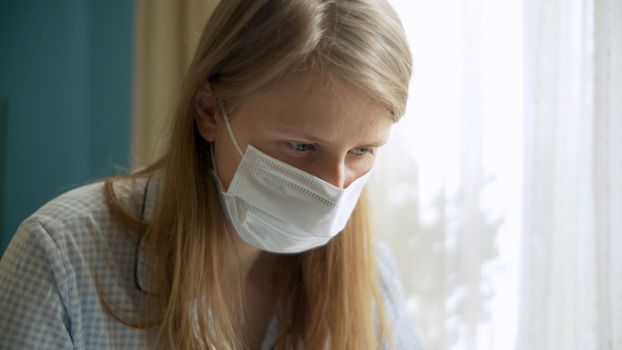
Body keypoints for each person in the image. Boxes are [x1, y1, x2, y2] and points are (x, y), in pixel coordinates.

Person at [0, 0, 419, 349]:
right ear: (209, 110)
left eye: (362, 151)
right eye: (301, 146)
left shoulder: (372, 282)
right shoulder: (63, 262)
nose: (333, 188)